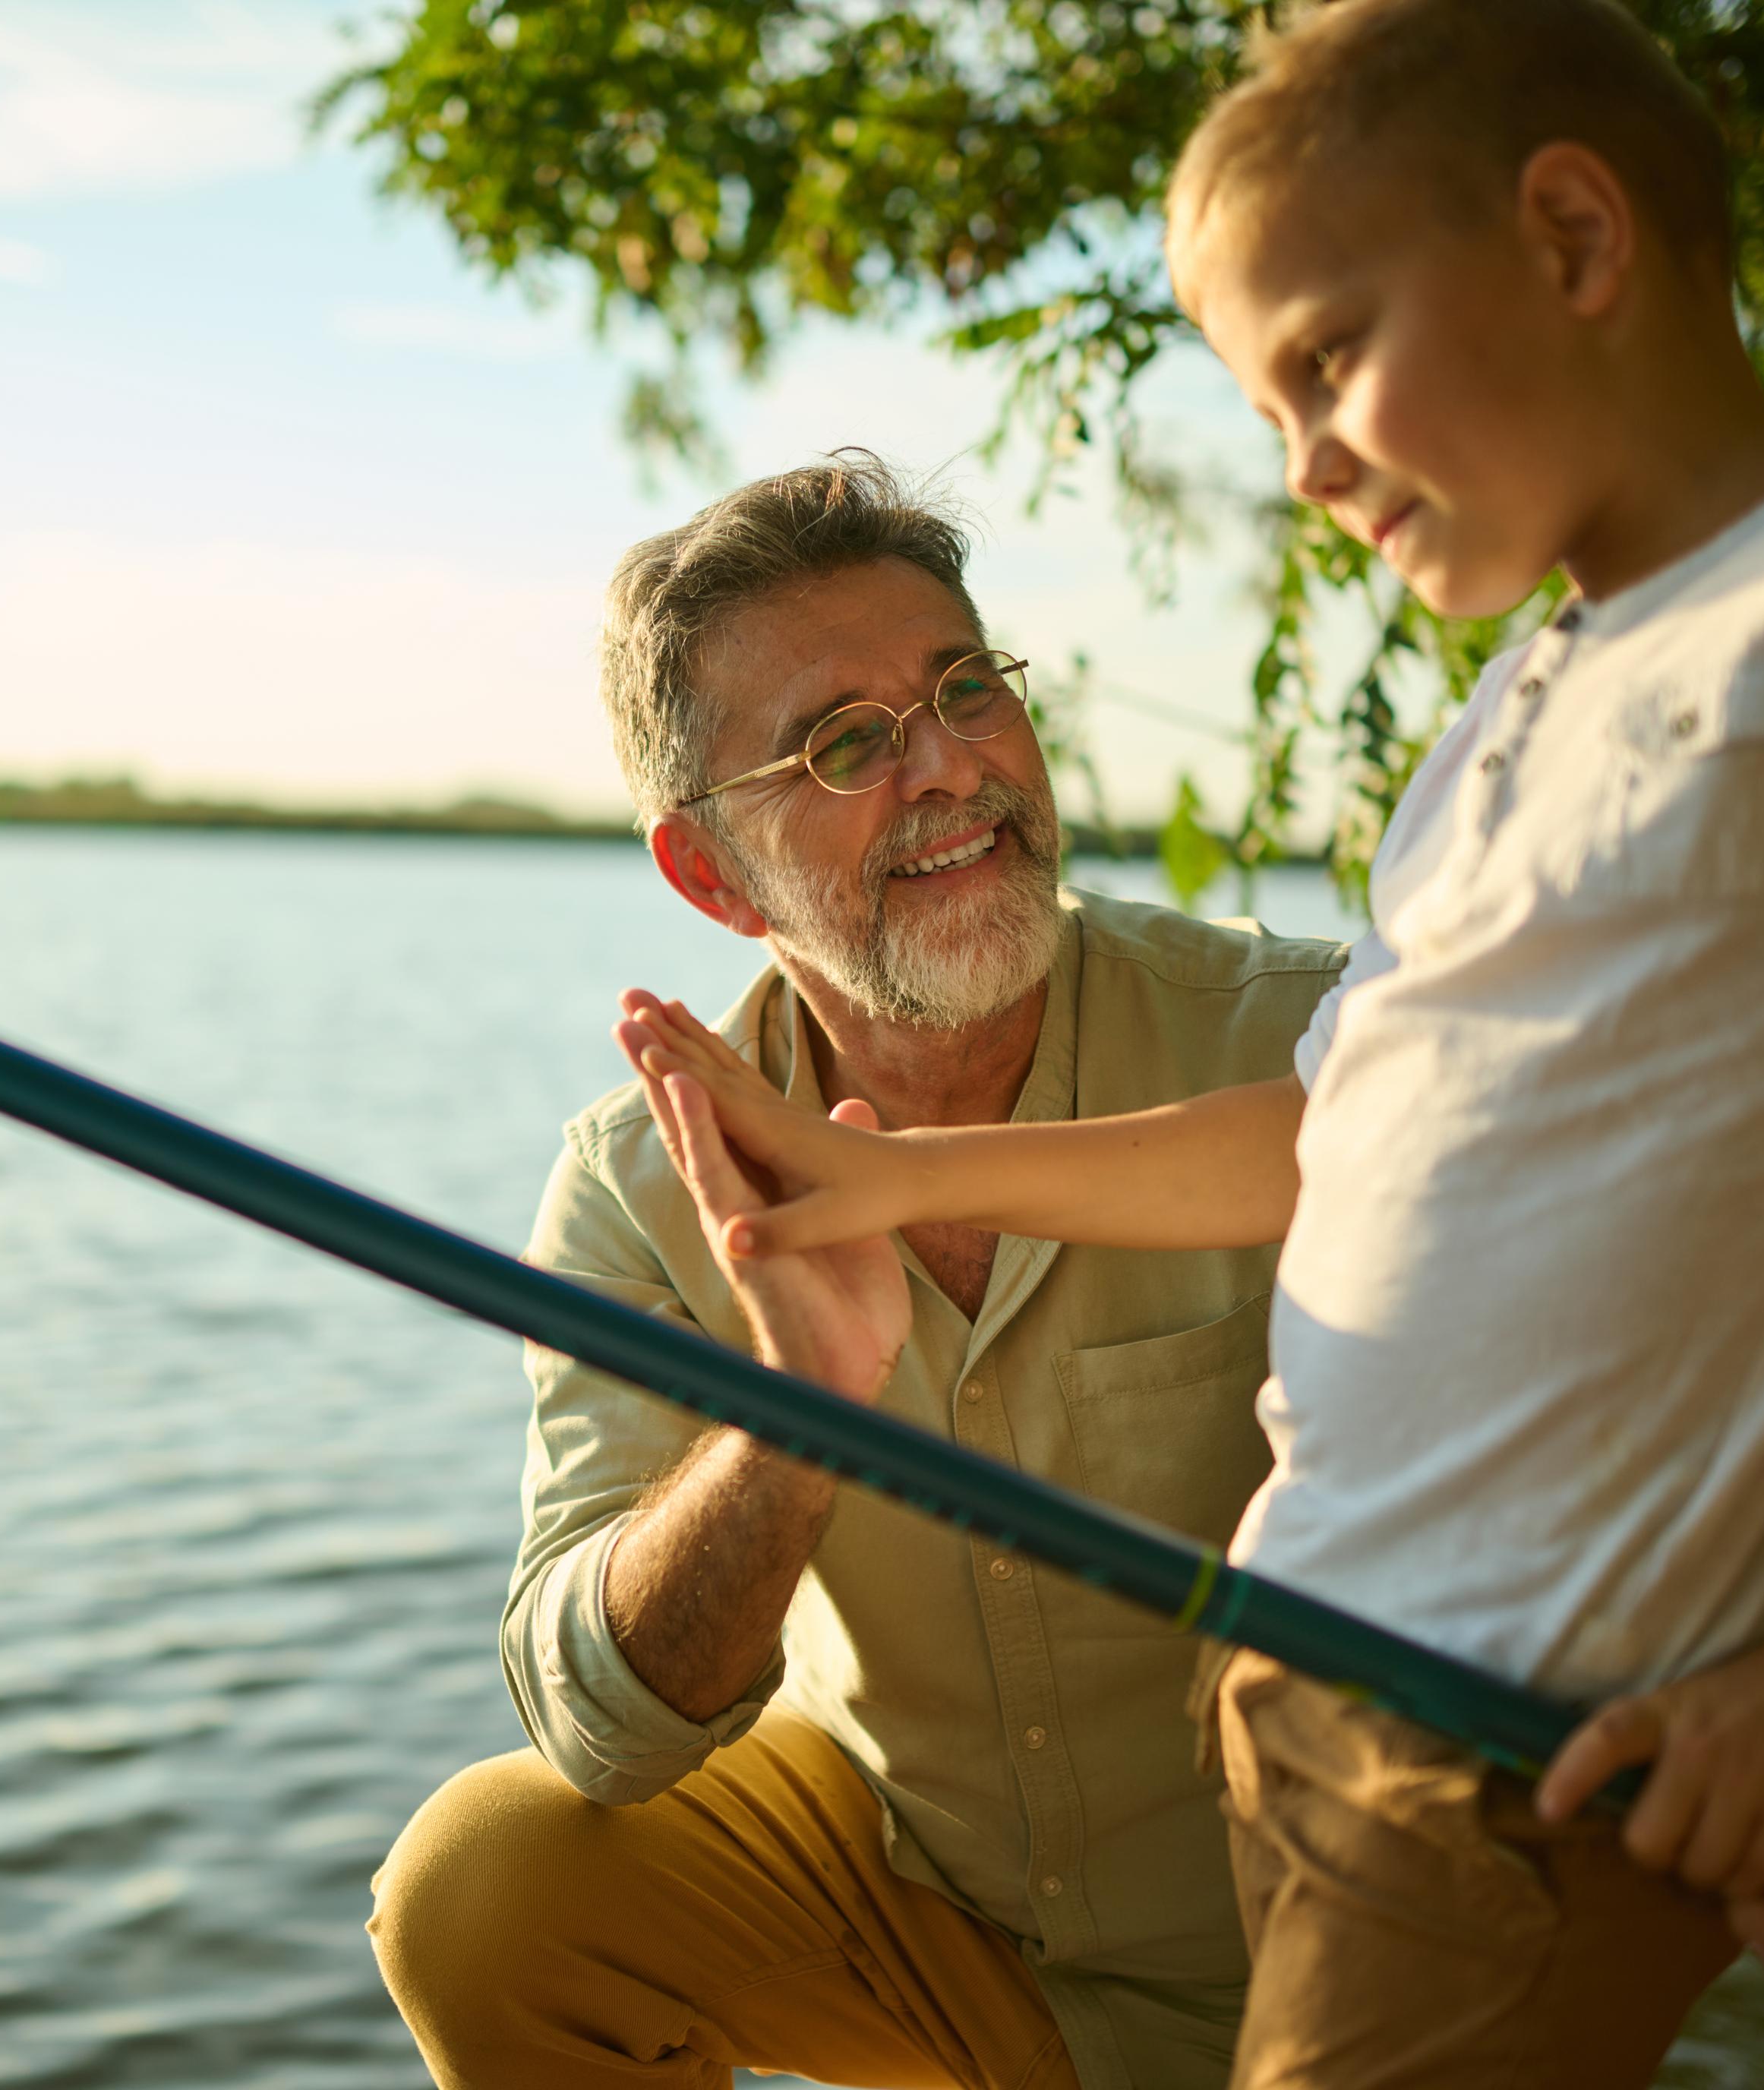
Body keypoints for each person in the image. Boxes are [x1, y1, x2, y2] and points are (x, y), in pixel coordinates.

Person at [614, 0, 1764, 2081]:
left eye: (1327, 360)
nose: (1307, 467)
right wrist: (906, 1184)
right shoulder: (1518, 716)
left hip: (1514, 1734)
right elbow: (1337, 1140)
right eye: (1270, 407)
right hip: (1324, 1697)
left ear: (1574, 237)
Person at [368, 453, 1349, 2088]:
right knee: (486, 1887)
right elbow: (598, 1722)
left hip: (1360, 1938)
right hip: (937, 1936)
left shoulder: (1305, 1044)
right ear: (709, 875)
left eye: (969, 689)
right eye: (847, 743)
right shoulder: (639, 1180)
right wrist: (792, 1423)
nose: (953, 766)